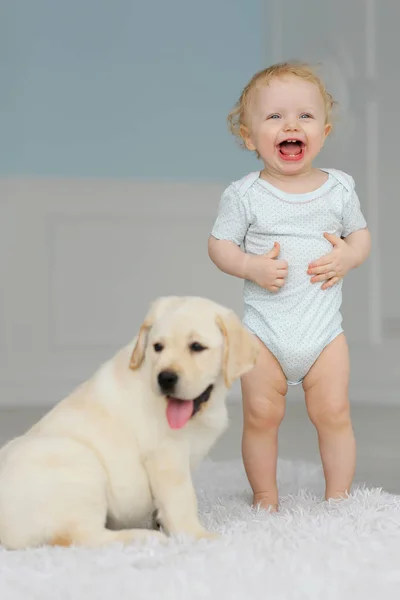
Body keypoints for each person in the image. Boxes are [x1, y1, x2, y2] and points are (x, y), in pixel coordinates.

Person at [208, 62, 371, 511]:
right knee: (261, 416)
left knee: (334, 414)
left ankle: (338, 498)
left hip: (322, 333)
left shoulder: (338, 189)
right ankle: (265, 496)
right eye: (275, 117)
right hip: (265, 332)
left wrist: (350, 256)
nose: (291, 125)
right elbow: (219, 244)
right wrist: (249, 266)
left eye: (305, 116)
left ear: (324, 130)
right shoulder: (245, 195)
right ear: (248, 136)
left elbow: (360, 235)